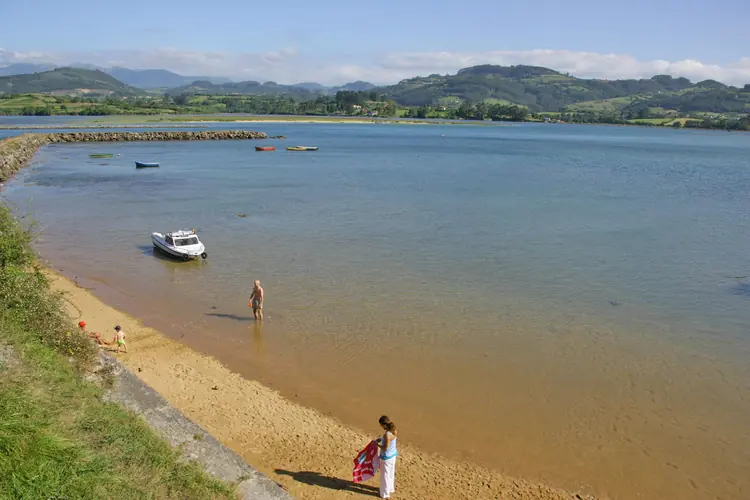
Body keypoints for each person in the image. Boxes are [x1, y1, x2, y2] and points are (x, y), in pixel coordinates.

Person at [374, 415, 398, 499]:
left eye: (380, 425)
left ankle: (385, 493)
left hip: (386, 457)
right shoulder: (394, 430)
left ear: (383, 424)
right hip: (393, 456)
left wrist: (377, 445)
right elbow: (388, 439)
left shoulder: (387, 434)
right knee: (390, 473)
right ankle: (390, 489)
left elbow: (385, 447)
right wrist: (380, 439)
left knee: (385, 476)